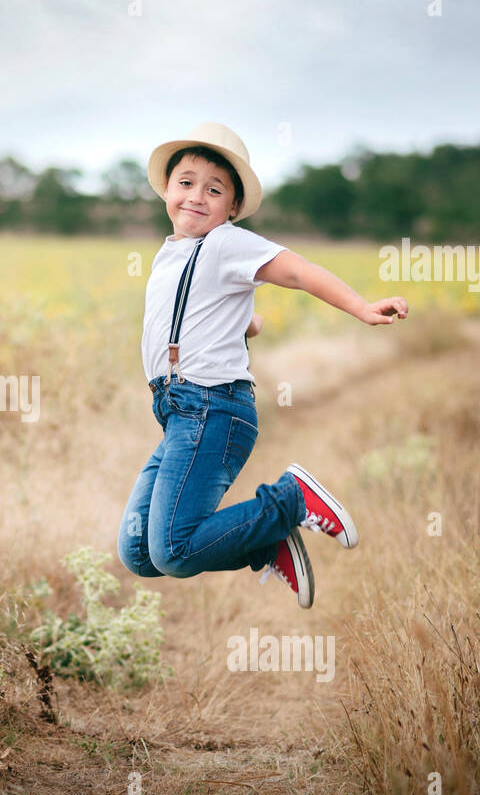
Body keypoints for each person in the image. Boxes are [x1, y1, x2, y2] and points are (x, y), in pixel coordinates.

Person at [115, 122, 409, 608]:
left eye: (214, 190)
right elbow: (197, 308)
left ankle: (292, 499)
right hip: (175, 413)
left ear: (231, 208)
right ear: (166, 190)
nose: (196, 197)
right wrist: (242, 321)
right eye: (185, 183)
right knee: (139, 553)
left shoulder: (228, 242)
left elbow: (296, 270)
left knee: (173, 550)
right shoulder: (170, 255)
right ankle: (267, 539)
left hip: (210, 408)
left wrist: (360, 306)